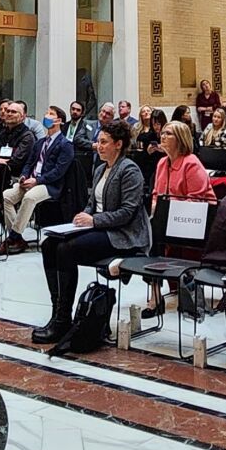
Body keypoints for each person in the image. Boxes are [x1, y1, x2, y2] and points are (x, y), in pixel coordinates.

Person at [33, 121, 150, 344]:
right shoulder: (99, 169)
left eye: (104, 142)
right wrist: (82, 218)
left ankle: (62, 319)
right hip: (100, 227)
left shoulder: (129, 170)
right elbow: (91, 203)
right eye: (98, 142)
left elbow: (127, 213)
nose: (99, 146)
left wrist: (93, 220)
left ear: (119, 144)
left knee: (68, 249)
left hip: (123, 234)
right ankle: (58, 311)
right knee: (49, 244)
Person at [144, 120, 215, 315]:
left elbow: (197, 199)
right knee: (149, 234)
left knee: (155, 237)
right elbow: (157, 194)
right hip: (169, 217)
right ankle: (155, 293)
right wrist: (155, 209)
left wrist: (166, 210)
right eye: (163, 133)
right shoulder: (161, 163)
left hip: (195, 218)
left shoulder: (191, 163)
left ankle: (161, 292)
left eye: (169, 134)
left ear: (180, 139)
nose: (163, 136)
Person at [0, 107, 74, 254]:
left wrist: (37, 181)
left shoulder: (66, 144)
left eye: (51, 114)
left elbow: (58, 171)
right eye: (46, 112)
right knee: (6, 196)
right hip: (29, 180)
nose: (46, 115)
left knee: (29, 197)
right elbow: (29, 163)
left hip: (49, 185)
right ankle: (18, 237)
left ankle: (13, 237)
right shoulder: (39, 143)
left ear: (59, 121)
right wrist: (24, 176)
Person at [0, 101, 37, 203]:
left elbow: (16, 162)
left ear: (22, 117)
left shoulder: (27, 136)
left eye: (13, 112)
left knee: (2, 169)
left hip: (16, 174)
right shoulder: (0, 134)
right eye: (8, 111)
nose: (9, 114)